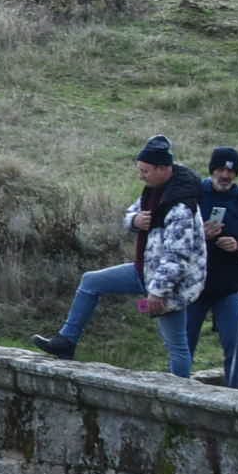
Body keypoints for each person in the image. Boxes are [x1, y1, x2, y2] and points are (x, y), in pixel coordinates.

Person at [31, 136, 206, 376]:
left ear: (162, 169)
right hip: (143, 270)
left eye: (145, 171)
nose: (140, 176)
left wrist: (157, 292)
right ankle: (66, 341)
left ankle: (181, 396)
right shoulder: (154, 190)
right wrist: (134, 221)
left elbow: (177, 256)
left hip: (169, 285)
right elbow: (130, 213)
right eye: (140, 170)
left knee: (176, 346)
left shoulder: (180, 206)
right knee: (90, 281)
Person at [187, 146, 238, 390]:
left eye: (231, 171)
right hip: (195, 284)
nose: (225, 175)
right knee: (183, 344)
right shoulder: (194, 195)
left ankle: (236, 397)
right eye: (220, 169)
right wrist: (202, 235)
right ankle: (175, 390)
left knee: (236, 345)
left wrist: (237, 245)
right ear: (212, 170)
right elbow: (176, 234)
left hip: (229, 285)